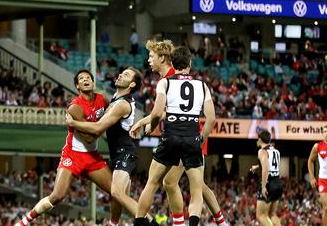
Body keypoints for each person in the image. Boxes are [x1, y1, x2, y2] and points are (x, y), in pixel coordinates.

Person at [13, 69, 115, 225]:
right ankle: (24, 221)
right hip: (73, 155)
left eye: (88, 77)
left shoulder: (102, 100)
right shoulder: (75, 107)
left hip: (93, 156)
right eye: (82, 79)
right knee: (57, 196)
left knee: (117, 192)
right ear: (77, 86)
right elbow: (88, 138)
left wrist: (101, 125)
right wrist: (102, 126)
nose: (86, 79)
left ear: (94, 83)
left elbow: (110, 119)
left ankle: (114, 223)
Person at [129, 46, 216, 226]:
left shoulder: (165, 82)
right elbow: (211, 118)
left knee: (152, 183)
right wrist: (201, 139)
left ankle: (138, 223)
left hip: (170, 136)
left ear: (172, 63)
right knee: (196, 190)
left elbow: (157, 112)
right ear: (190, 64)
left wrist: (150, 128)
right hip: (192, 137)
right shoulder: (202, 85)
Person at [63, 68, 144, 226]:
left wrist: (73, 123)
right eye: (122, 73)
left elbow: (98, 128)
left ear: (132, 84)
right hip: (117, 154)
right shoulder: (114, 98)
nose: (120, 75)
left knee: (117, 192)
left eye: (126, 75)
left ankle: (150, 223)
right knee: (119, 197)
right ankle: (114, 224)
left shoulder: (122, 104)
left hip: (126, 153)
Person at [254, 129, 283, 226]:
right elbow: (271, 165)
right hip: (278, 182)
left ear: (260, 140)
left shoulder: (262, 151)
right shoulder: (276, 151)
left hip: (269, 182)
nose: (256, 141)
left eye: (257, 139)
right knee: (272, 214)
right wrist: (257, 166)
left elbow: (266, 169)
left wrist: (263, 186)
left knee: (260, 215)